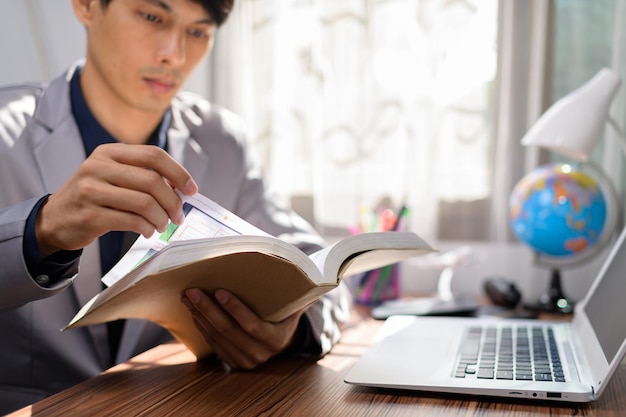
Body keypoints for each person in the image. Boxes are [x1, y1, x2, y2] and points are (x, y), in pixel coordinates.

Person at [0, 0, 351, 413]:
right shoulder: (7, 130)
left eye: (198, 31)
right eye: (153, 17)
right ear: (87, 6)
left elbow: (318, 271)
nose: (175, 54)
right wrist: (42, 230)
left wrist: (290, 334)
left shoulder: (222, 140)